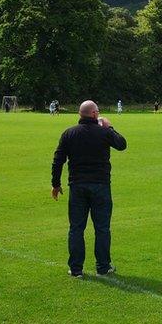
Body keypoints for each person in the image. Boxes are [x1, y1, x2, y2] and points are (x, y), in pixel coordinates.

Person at [51, 100, 127, 278]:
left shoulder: (69, 133)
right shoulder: (103, 133)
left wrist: (56, 184)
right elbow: (122, 144)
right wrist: (109, 127)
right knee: (102, 228)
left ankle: (76, 269)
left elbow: (58, 160)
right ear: (94, 114)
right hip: (100, 186)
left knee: (76, 228)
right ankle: (103, 267)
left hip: (77, 186)